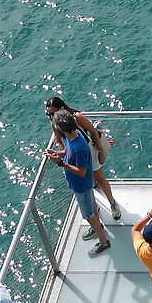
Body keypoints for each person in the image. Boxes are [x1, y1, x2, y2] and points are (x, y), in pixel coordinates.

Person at [45, 110, 113, 256]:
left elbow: (81, 171)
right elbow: (69, 153)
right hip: (80, 184)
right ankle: (97, 227)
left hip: (81, 185)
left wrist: (60, 163)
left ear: (61, 128)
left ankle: (103, 241)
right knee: (91, 205)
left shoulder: (80, 147)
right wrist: (59, 154)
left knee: (88, 214)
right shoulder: (74, 137)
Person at [45, 96, 122, 221]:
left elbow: (94, 132)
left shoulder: (77, 117)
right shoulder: (55, 123)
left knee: (99, 178)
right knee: (88, 184)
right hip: (74, 153)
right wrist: (66, 152)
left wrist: (101, 152)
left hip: (90, 151)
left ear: (63, 108)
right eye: (48, 114)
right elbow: (59, 140)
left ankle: (112, 203)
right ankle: (94, 211)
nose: (51, 116)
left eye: (53, 113)